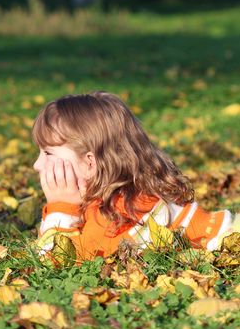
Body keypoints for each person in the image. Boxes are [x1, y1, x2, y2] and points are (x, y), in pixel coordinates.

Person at [31, 91, 238, 261]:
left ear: (90, 163)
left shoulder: (119, 211)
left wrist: (61, 208)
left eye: (48, 153)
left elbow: (57, 261)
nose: (37, 165)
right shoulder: (113, 197)